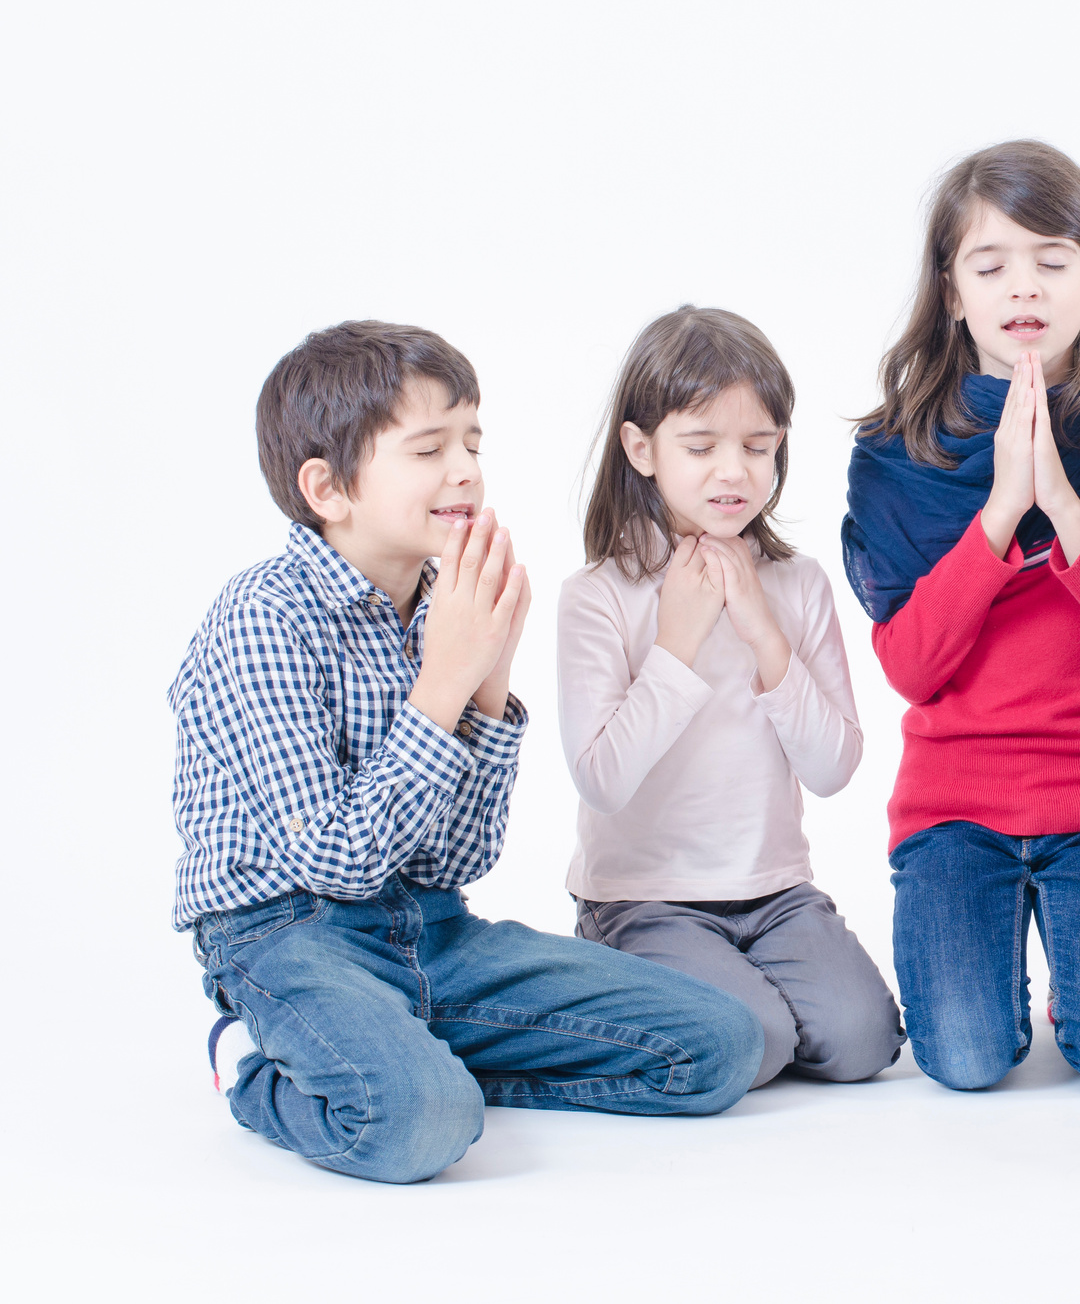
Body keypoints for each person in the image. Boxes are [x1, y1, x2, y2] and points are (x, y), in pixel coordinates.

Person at [173, 321, 763, 1183]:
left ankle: (412, 1055)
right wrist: (445, 684)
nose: (467, 472)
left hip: (430, 929)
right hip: (287, 938)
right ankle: (255, 1067)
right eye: (429, 449)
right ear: (328, 488)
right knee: (415, 1128)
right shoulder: (262, 619)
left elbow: (458, 860)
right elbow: (334, 860)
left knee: (719, 1049)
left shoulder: (444, 605)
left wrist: (490, 695)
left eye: (473, 442)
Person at [843, 140, 1080, 1090]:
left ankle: (1078, 967)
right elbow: (913, 668)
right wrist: (1004, 508)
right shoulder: (897, 454)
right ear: (953, 292)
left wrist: (1067, 505)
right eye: (991, 264)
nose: (1023, 288)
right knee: (962, 1061)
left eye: (1051, 261)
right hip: (953, 804)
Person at [560, 305, 903, 1089]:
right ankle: (639, 983)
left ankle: (735, 1003)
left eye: (758, 447)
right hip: (644, 902)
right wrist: (677, 644)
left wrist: (763, 633)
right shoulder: (598, 595)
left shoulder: (798, 583)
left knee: (861, 1043)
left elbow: (834, 766)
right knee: (754, 1039)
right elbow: (601, 778)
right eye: (701, 445)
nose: (734, 472)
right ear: (641, 449)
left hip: (774, 894)